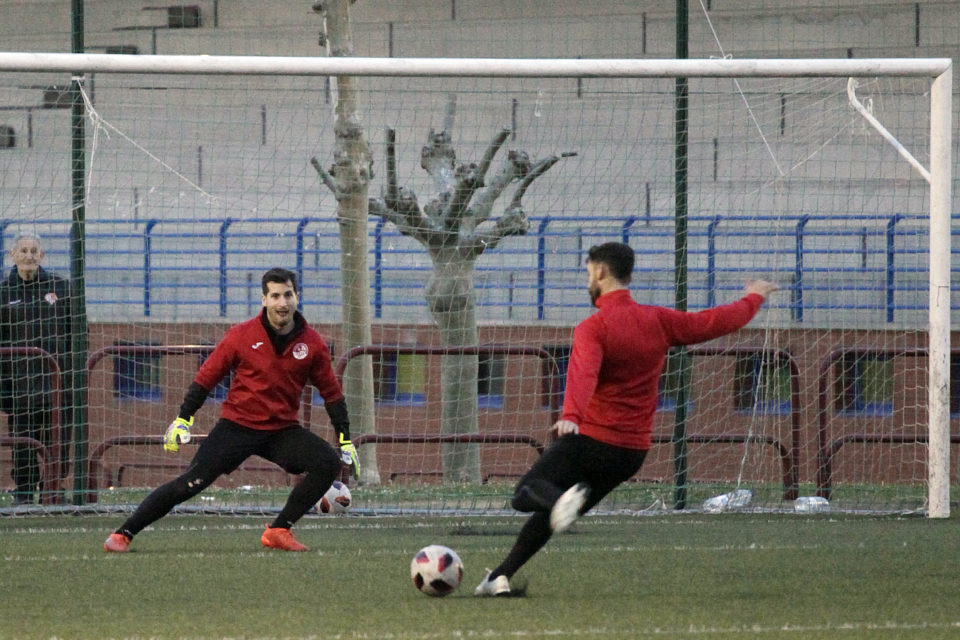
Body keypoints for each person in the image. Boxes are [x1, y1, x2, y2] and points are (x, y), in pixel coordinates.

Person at [474, 242, 778, 596]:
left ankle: (558, 503)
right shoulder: (657, 320)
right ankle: (499, 576)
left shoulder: (595, 326)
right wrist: (754, 297)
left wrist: (570, 414)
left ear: (600, 272)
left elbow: (583, 372)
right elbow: (712, 322)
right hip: (630, 453)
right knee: (552, 515)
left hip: (591, 440)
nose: (588, 280)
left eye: (588, 272)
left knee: (526, 494)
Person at [103, 267, 359, 552]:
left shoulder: (313, 344)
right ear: (264, 300)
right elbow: (206, 378)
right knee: (189, 484)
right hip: (237, 426)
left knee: (327, 463)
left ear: (297, 297)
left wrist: (345, 438)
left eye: (288, 295)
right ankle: (123, 534)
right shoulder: (241, 335)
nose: (282, 303)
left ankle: (278, 530)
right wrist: (183, 419)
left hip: (281, 430)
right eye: (275, 296)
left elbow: (332, 394)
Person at [0, 234, 71, 505]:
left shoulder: (61, 288)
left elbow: (76, 334)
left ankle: (53, 488)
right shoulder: (3, 294)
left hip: (57, 387)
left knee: (60, 443)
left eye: (34, 251)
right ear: (12, 255)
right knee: (23, 444)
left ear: (42, 256)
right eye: (23, 251)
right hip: (20, 387)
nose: (29, 256)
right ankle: (24, 493)